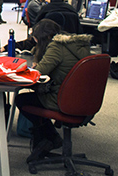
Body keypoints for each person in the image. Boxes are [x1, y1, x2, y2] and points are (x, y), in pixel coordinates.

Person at [16, 19, 90, 163]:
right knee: (36, 96)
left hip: (64, 100)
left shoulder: (56, 47)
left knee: (23, 99)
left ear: (46, 38)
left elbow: (38, 73)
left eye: (38, 41)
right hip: (85, 99)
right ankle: (46, 140)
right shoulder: (76, 44)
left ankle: (50, 138)